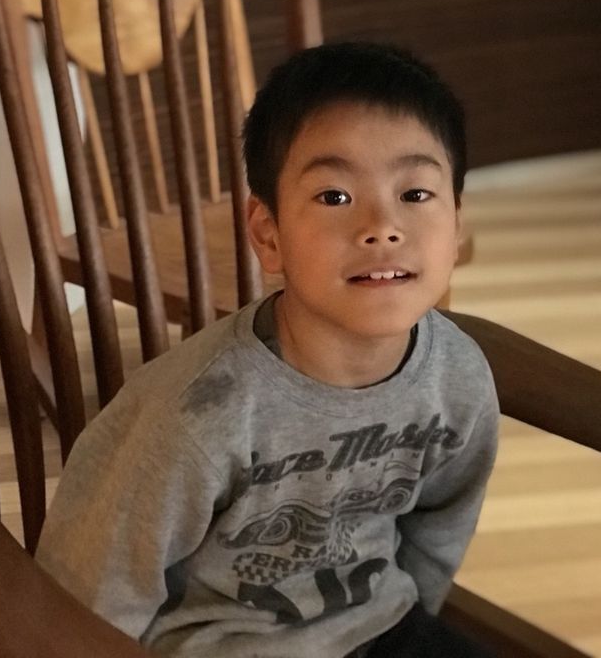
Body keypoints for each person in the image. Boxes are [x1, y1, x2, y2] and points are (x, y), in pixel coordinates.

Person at [37, 41, 499, 658]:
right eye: (335, 196)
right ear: (268, 234)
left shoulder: (459, 376)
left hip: (379, 625)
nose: (382, 227)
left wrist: (407, 618)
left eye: (415, 194)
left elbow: (439, 526)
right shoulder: (194, 416)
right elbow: (89, 596)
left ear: (457, 222)